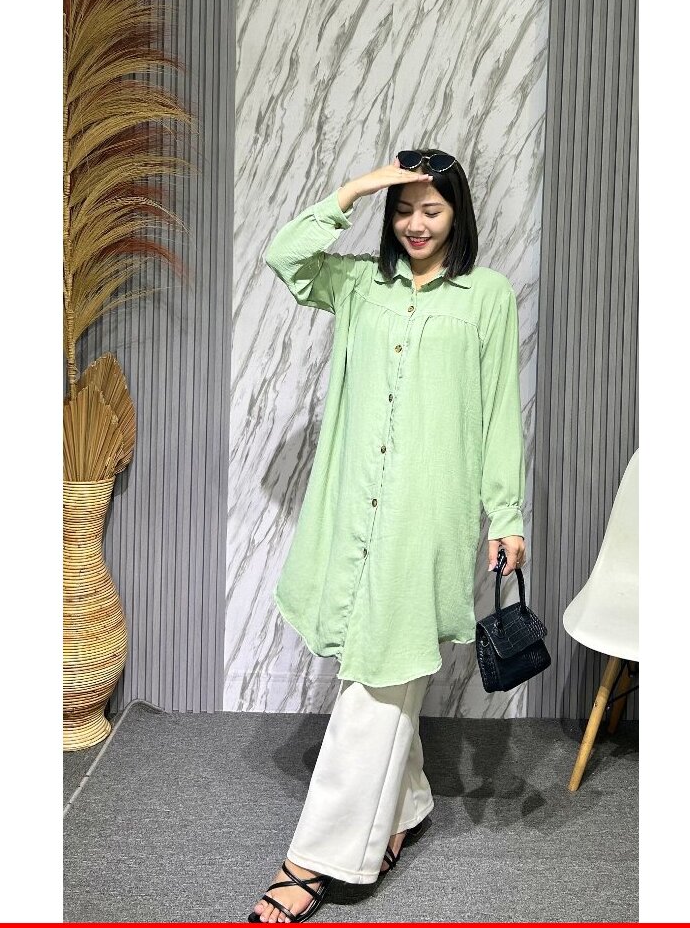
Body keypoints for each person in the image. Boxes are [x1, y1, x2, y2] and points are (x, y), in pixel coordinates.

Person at [248, 150, 527, 923]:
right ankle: (406, 805)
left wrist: (505, 514)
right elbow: (284, 256)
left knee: (376, 677)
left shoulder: (487, 297)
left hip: (426, 516)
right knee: (383, 664)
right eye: (402, 210)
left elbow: (500, 411)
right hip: (356, 512)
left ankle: (313, 861)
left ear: (458, 214)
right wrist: (363, 185)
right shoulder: (358, 286)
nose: (415, 224)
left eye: (431, 209)